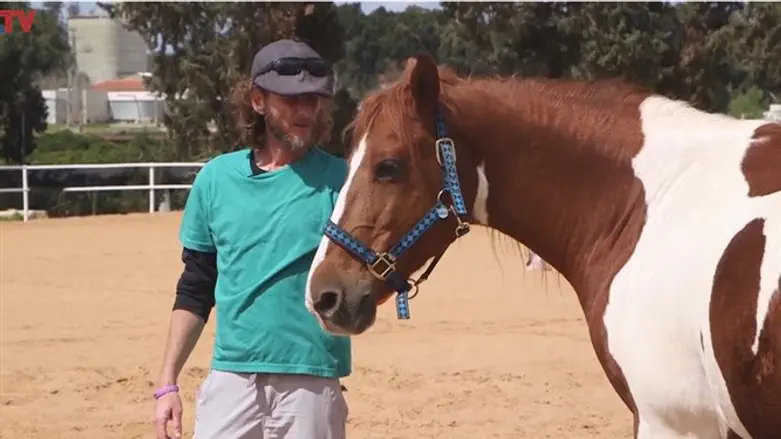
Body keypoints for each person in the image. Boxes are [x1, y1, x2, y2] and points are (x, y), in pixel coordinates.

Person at [152, 39, 351, 439]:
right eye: (290, 99)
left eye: (312, 99)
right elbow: (196, 286)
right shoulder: (216, 179)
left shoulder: (343, 182)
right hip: (231, 379)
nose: (305, 111)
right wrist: (168, 382)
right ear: (258, 101)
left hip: (311, 379)